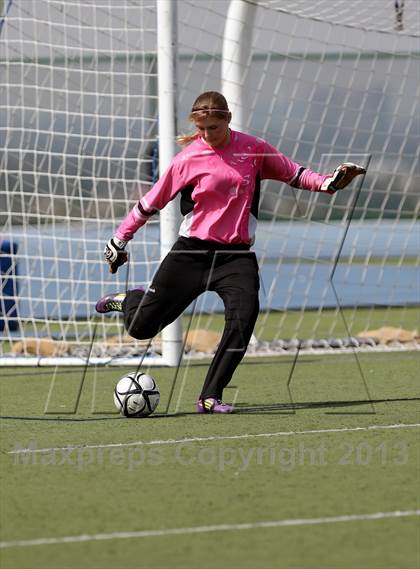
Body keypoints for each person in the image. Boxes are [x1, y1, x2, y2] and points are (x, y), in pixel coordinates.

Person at [96, 91, 365, 414]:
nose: (207, 135)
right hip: (191, 253)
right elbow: (150, 202)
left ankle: (210, 395)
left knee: (243, 319)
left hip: (236, 258)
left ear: (227, 119)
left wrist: (329, 184)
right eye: (202, 129)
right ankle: (130, 300)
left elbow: (295, 174)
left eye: (213, 127)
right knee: (141, 328)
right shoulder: (187, 159)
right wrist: (119, 240)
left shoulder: (253, 149)